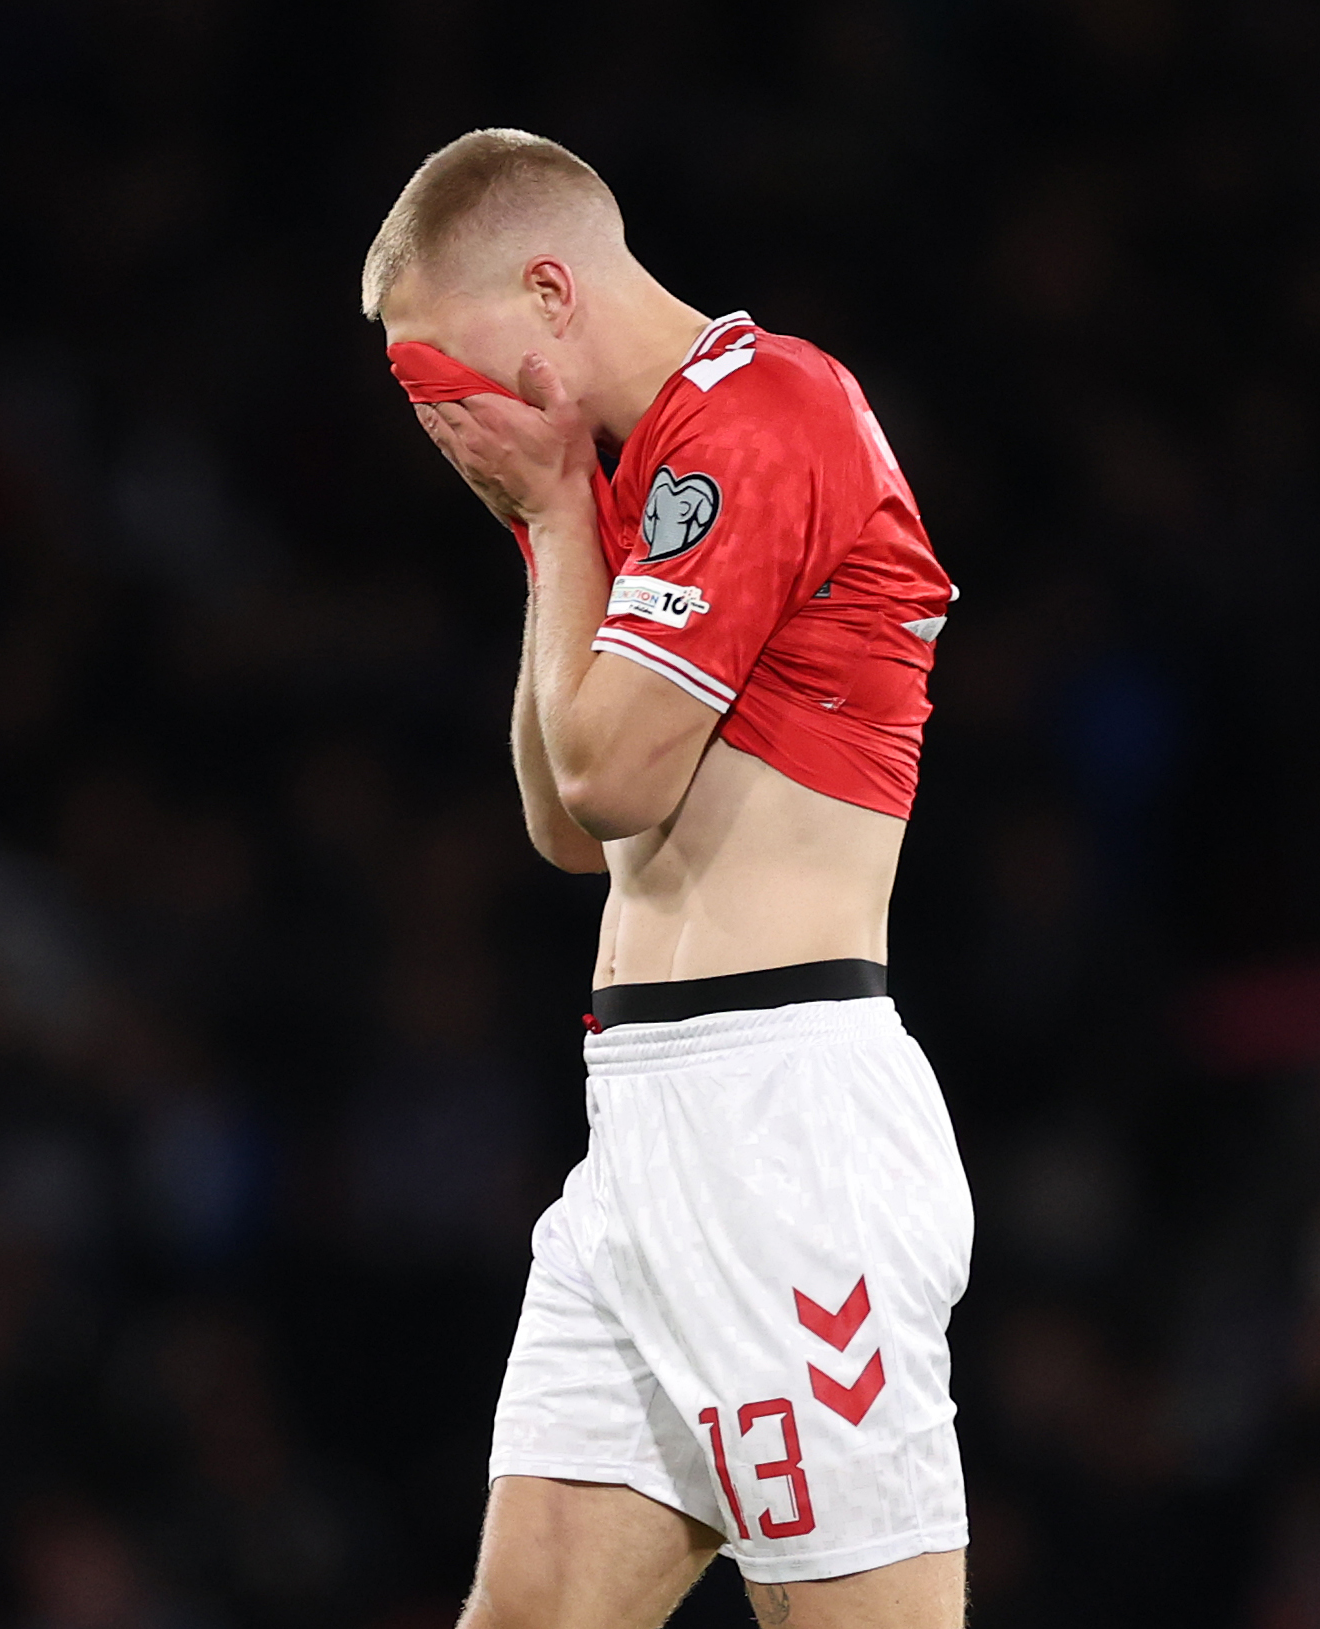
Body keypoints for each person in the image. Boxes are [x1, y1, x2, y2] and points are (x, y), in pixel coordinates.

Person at [365, 129, 972, 1629]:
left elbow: (610, 779)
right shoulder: (637, 473)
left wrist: (556, 515)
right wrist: (556, 527)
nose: (439, 410)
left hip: (784, 1136)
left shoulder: (767, 413)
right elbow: (567, 831)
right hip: (642, 1136)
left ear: (550, 292)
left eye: (444, 363)